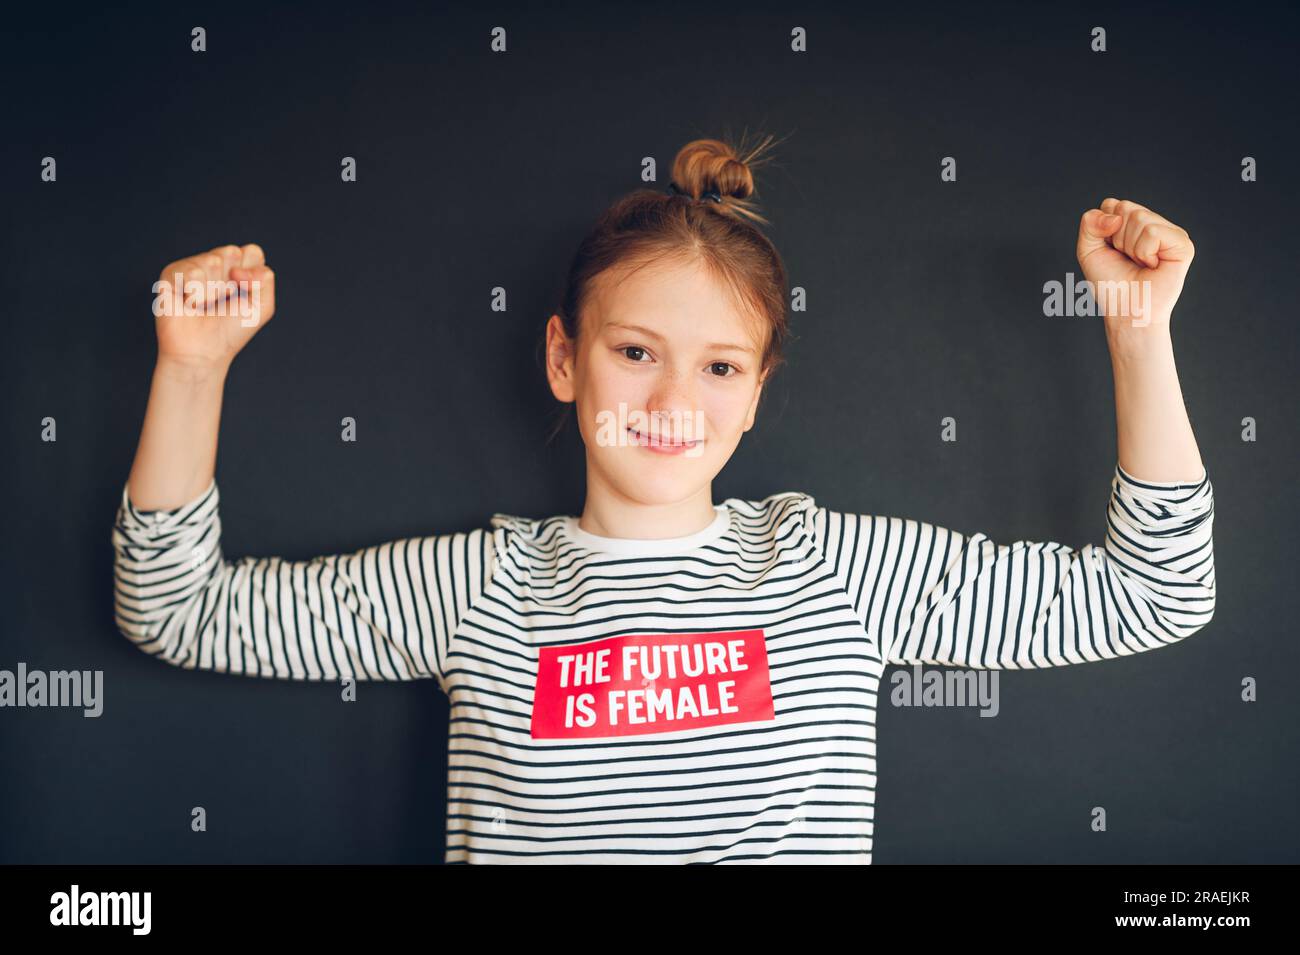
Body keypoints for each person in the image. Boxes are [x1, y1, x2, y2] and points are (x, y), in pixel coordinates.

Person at [112, 135, 1215, 864]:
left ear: (756, 393)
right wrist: (192, 371)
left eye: (720, 366)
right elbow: (176, 608)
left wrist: (1133, 329)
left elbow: (1151, 594)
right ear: (563, 358)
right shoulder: (474, 586)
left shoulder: (832, 569)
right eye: (636, 350)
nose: (673, 398)